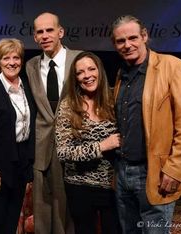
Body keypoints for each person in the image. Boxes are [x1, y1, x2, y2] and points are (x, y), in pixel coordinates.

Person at [111, 15, 181, 233]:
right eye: (120, 41)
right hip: (123, 173)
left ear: (145, 36)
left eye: (133, 38)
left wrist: (175, 170)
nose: (127, 45)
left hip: (155, 173)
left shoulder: (173, 67)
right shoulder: (121, 74)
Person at [25, 12, 81, 234]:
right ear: (35, 37)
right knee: (42, 211)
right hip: (42, 148)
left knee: (70, 212)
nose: (45, 35)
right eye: (40, 32)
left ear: (61, 32)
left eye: (50, 30)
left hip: (74, 146)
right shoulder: (30, 66)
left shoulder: (80, 60)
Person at [55, 51, 120, 234]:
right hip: (79, 185)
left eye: (91, 69)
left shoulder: (115, 99)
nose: (87, 75)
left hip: (112, 185)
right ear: (75, 78)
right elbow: (63, 152)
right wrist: (102, 146)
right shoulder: (68, 105)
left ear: (100, 70)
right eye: (80, 72)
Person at [0, 38, 36, 234]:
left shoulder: (27, 87)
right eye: (6, 58)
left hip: (20, 165)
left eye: (16, 57)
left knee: (10, 224)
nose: (12, 62)